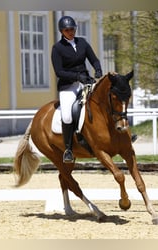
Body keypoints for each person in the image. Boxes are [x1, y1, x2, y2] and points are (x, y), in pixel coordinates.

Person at [51, 15, 103, 163]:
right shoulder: (57, 48)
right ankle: (68, 149)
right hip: (68, 86)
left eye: (72, 29)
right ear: (62, 31)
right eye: (67, 30)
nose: (70, 32)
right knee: (67, 116)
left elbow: (94, 59)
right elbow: (59, 72)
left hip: (86, 81)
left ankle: (119, 135)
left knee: (105, 100)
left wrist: (98, 69)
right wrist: (76, 77)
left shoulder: (83, 43)